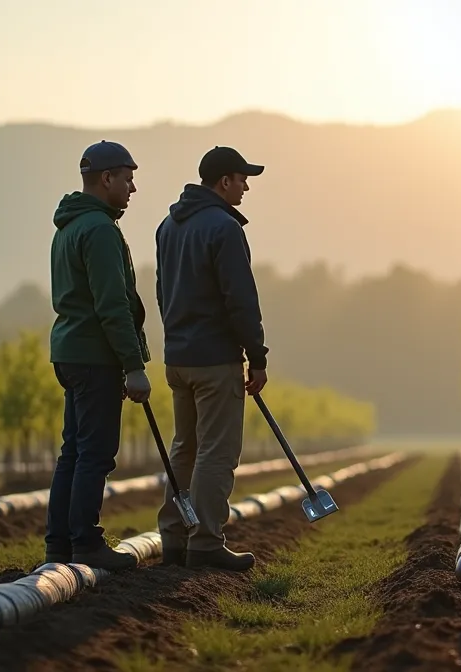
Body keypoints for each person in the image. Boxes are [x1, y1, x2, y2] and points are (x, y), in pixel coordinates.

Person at [154, 146, 270, 572]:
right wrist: (256, 356)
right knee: (216, 452)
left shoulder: (168, 226)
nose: (245, 188)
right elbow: (240, 300)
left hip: (177, 357)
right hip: (215, 358)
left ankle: (174, 536)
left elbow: (162, 291)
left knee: (185, 448)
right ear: (224, 181)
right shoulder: (224, 228)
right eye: (242, 179)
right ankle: (205, 541)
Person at [44, 140, 153, 571]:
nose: (132, 188)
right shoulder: (101, 230)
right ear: (106, 178)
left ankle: (60, 545)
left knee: (73, 452)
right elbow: (113, 305)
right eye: (128, 179)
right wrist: (134, 366)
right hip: (95, 355)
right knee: (95, 453)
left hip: (69, 351)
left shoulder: (68, 227)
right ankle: (86, 543)